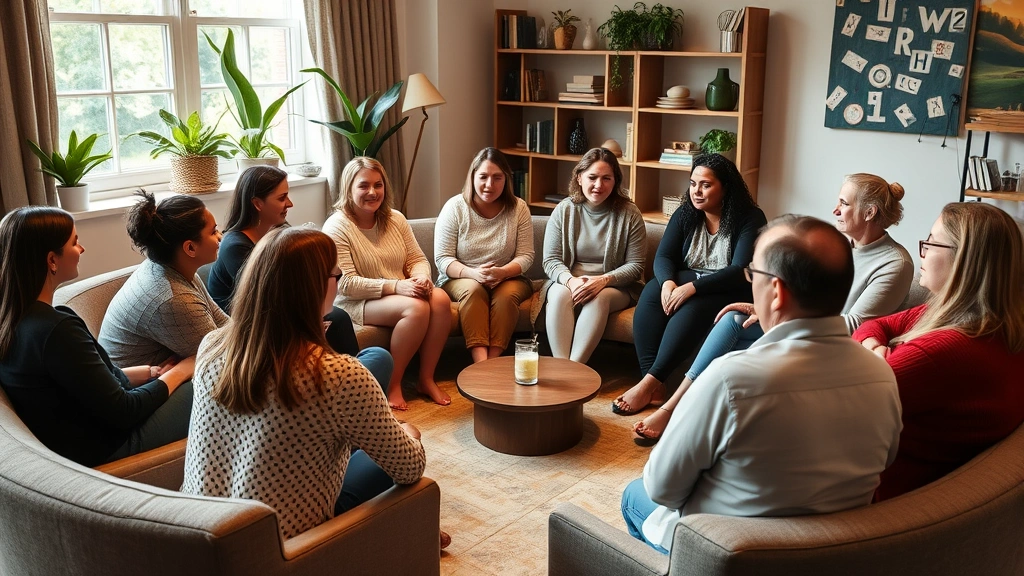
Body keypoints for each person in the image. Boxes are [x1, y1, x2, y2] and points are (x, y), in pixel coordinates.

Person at [621, 215, 902, 554]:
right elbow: (885, 462)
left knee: (634, 494)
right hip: (832, 554)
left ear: (776, 291)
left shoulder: (729, 378)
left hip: (732, 555)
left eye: (752, 274)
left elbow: (662, 488)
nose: (750, 281)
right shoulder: (882, 376)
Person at [181, 226, 432, 542]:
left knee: (355, 415)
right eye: (336, 277)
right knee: (408, 439)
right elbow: (409, 468)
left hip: (199, 536)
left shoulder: (212, 345)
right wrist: (408, 433)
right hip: (287, 549)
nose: (339, 280)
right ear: (313, 288)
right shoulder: (340, 376)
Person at [632, 173, 914, 443]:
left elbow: (855, 323)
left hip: (833, 344)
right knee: (733, 318)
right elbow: (804, 295)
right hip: (803, 329)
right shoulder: (842, 244)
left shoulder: (894, 263)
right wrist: (762, 308)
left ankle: (674, 409)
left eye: (844, 203)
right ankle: (680, 406)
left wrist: (784, 320)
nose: (835, 210)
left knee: (734, 327)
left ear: (870, 213)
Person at [853, 202, 1024, 501]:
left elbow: (843, 402)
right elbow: (874, 326)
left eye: (930, 242)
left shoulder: (945, 353)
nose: (923, 252)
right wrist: (875, 347)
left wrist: (875, 355)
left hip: (873, 496)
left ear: (964, 260)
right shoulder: (986, 321)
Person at [0, 207, 194, 467]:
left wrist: (153, 373)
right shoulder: (55, 331)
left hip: (87, 436)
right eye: (74, 242)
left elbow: (95, 384)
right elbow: (125, 411)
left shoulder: (18, 320)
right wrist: (182, 370)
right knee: (220, 381)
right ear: (51, 260)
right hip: (111, 445)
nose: (81, 250)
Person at [615, 154, 767, 415]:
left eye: (706, 185)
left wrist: (692, 288)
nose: (696, 191)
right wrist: (667, 283)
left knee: (692, 307)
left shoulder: (750, 217)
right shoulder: (686, 213)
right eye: (693, 183)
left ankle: (647, 384)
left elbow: (739, 270)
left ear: (726, 187)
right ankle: (653, 384)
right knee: (651, 292)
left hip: (727, 287)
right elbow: (664, 256)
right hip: (690, 280)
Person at [322, 157, 451, 410]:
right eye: (363, 186)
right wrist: (396, 286)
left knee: (441, 299)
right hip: (355, 302)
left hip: (399, 292)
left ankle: (425, 378)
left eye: (378, 185)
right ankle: (393, 383)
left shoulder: (396, 219)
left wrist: (421, 277)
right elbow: (345, 282)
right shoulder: (337, 226)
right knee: (416, 308)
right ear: (349, 189)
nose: (372, 192)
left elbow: (417, 258)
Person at [205, 165, 362, 357]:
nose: (289, 203)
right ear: (257, 204)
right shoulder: (235, 246)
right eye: (281, 198)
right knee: (336, 318)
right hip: (249, 323)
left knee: (336, 317)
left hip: (276, 309)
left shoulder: (278, 230)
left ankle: (348, 375)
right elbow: (265, 299)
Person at [537, 148, 646, 363]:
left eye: (607, 178)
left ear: (616, 181)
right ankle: (562, 366)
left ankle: (575, 369)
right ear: (579, 177)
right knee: (559, 295)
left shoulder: (630, 213)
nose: (599, 185)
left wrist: (603, 280)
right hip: (569, 280)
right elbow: (551, 260)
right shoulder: (564, 210)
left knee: (598, 298)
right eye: (592, 177)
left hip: (615, 286)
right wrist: (571, 281)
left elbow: (635, 265)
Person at [99, 191, 227, 368]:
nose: (220, 237)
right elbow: (220, 356)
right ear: (190, 248)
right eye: (213, 232)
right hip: (144, 388)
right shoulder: (174, 298)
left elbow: (222, 322)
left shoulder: (174, 268)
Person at [434, 148, 534, 363]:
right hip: (459, 277)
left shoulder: (519, 208)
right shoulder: (455, 207)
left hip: (508, 276)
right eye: (483, 177)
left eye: (497, 178)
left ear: (506, 180)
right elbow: (443, 259)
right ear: (472, 177)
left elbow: (526, 256)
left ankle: (493, 359)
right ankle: (481, 363)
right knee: (473, 290)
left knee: (506, 297)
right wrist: (473, 273)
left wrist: (503, 272)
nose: (489, 185)